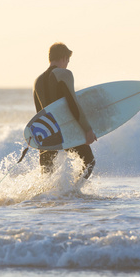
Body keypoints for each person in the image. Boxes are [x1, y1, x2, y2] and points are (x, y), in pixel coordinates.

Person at [33, 42, 97, 180]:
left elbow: (39, 114)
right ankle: (72, 192)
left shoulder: (37, 81)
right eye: (68, 60)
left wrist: (41, 140)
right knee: (89, 161)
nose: (67, 64)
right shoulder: (64, 74)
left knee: (47, 174)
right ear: (63, 57)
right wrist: (87, 129)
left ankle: (48, 197)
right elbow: (73, 104)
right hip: (66, 129)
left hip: (48, 132)